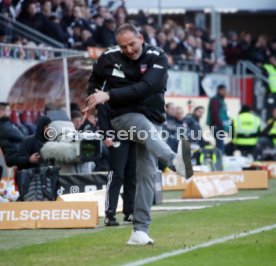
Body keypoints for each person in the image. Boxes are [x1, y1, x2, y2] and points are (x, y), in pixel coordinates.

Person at [85, 23, 193, 245]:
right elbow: (94, 80)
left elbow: (146, 87)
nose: (128, 50)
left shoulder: (158, 57)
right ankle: (175, 161)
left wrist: (109, 94)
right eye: (123, 46)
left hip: (152, 119)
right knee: (141, 128)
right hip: (123, 117)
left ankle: (139, 231)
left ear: (141, 38)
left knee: (146, 174)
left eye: (132, 44)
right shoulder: (108, 57)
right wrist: (93, 99)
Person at [207, 84, 231, 154]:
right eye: (223, 90)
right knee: (220, 144)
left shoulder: (220, 100)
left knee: (220, 143)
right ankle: (220, 159)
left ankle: (219, 159)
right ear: (219, 90)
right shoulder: (215, 100)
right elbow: (215, 114)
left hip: (219, 126)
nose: (225, 92)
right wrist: (220, 125)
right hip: (217, 126)